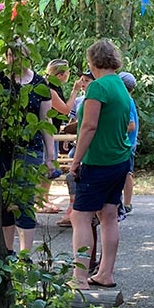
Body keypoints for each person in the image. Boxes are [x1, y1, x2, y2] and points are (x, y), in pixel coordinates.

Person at [68, 40, 132, 289]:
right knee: (108, 214)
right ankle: (105, 273)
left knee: (80, 216)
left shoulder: (97, 87)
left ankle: (79, 277)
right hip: (120, 159)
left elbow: (89, 126)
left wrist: (76, 160)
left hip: (98, 161)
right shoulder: (119, 84)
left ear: (92, 61)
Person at [0, 40, 56, 255]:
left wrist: (50, 156)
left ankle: (25, 254)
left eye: (18, 55)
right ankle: (7, 251)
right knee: (4, 200)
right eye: (9, 55)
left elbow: (46, 121)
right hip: (2, 149)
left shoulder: (39, 84)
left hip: (30, 148)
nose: (13, 59)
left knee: (24, 200)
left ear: (28, 56)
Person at [39, 59, 87, 214]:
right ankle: (40, 201)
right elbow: (65, 110)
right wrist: (75, 90)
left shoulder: (56, 87)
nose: (69, 74)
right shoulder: (49, 90)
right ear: (59, 75)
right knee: (46, 166)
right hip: (45, 133)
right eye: (67, 72)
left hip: (53, 131)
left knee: (50, 166)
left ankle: (44, 198)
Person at [58, 70, 95, 227]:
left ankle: (82, 211)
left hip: (92, 148)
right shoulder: (79, 100)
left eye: (87, 80)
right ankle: (74, 208)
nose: (83, 83)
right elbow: (72, 122)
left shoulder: (98, 99)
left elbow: (90, 125)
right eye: (82, 80)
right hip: (78, 144)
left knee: (77, 175)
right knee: (72, 176)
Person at [119, 72, 139, 215]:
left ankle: (127, 203)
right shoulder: (128, 100)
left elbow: (131, 125)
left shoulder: (125, 101)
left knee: (127, 173)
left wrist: (114, 130)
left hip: (127, 144)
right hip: (128, 143)